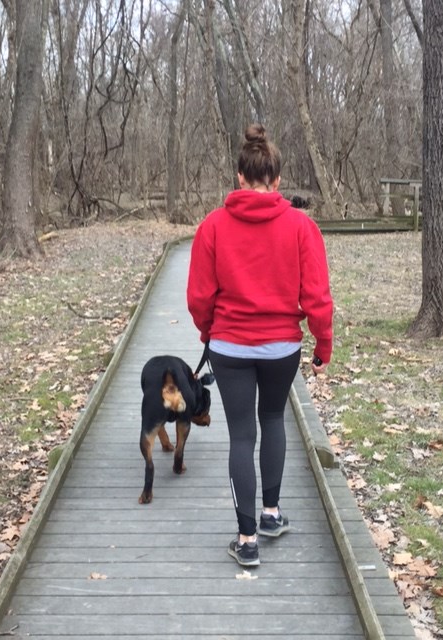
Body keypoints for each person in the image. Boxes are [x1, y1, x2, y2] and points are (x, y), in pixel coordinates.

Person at [187, 124, 333, 567]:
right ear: (278, 181)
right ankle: (270, 515)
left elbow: (198, 298)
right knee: (272, 421)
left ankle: (247, 540)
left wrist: (208, 330)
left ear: (238, 177)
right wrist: (322, 343)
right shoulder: (301, 227)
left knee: (240, 436)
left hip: (229, 347)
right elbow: (318, 298)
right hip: (280, 348)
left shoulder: (211, 227)